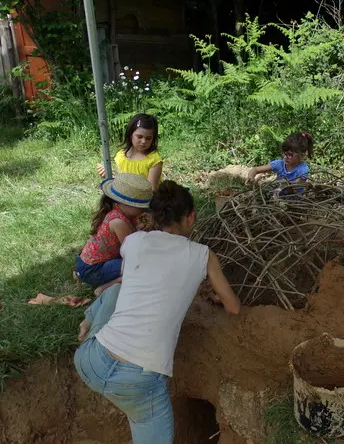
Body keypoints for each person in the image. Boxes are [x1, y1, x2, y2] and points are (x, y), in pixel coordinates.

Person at [74, 180, 241, 444]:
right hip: (139, 380)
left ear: (152, 216)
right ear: (191, 217)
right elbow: (233, 307)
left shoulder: (134, 242)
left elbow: (143, 280)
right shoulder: (203, 255)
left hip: (90, 360)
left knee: (116, 291)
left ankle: (87, 324)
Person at [74, 174, 152, 295]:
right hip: (93, 269)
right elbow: (134, 250)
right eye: (140, 207)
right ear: (126, 204)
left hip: (90, 263)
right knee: (140, 267)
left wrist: (141, 226)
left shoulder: (120, 211)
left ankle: (79, 273)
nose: (143, 210)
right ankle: (104, 287)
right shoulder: (119, 222)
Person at [97, 113, 163, 192]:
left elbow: (151, 190)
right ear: (130, 135)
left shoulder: (154, 160)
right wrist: (108, 174)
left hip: (145, 201)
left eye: (148, 138)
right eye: (139, 137)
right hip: (125, 197)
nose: (143, 141)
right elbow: (121, 181)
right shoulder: (121, 156)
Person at [246, 132, 313, 184]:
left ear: (302, 155)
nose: (285, 157)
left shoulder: (303, 170)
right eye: (284, 153)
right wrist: (250, 177)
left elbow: (295, 186)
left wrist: (281, 183)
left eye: (290, 155)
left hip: (294, 201)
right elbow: (255, 169)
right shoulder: (280, 164)